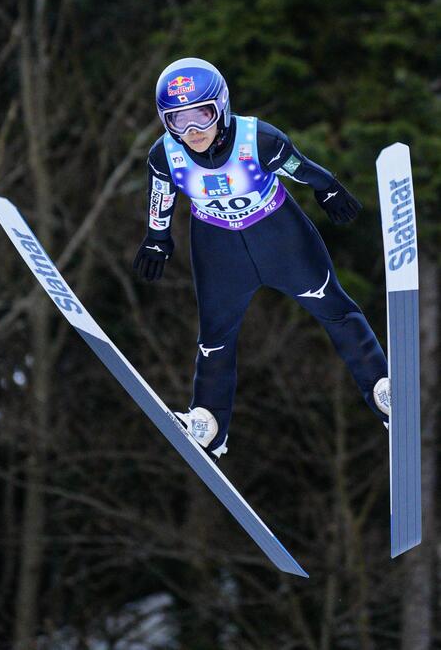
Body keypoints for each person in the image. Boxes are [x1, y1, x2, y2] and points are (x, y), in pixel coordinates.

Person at [133, 57, 391, 462]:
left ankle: (382, 387)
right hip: (218, 248)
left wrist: (329, 190)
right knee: (215, 335)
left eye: (202, 116)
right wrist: (156, 238)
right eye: (177, 121)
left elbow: (300, 168)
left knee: (335, 309)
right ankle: (209, 423)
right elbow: (160, 196)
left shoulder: (260, 140)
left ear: (222, 106)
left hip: (279, 236)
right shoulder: (164, 155)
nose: (193, 131)